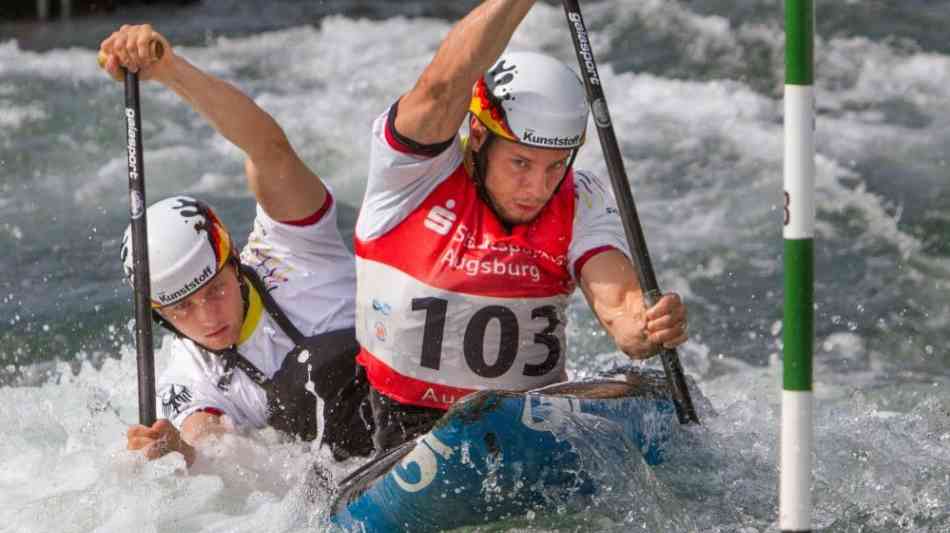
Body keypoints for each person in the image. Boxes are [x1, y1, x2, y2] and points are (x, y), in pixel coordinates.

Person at [353, 0, 690, 453]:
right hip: (401, 427)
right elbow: (442, 85)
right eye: (520, 162)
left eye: (555, 166)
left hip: (525, 428)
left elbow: (619, 300)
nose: (537, 187)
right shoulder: (414, 174)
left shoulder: (579, 196)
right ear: (478, 135)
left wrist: (644, 326)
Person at [99, 25, 374, 466]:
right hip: (349, 471)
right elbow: (212, 450)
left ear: (233, 261)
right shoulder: (187, 374)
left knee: (319, 365)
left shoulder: (292, 249)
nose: (208, 319)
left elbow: (268, 150)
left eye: (215, 291)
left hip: (414, 395)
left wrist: (170, 71)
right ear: (158, 314)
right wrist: (179, 451)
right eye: (181, 309)